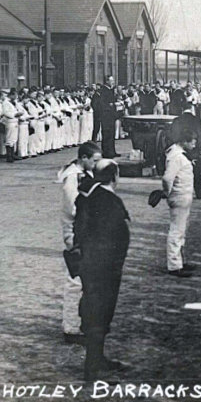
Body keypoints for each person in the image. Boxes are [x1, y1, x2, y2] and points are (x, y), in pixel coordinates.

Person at [74, 159, 130, 381]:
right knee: (101, 312)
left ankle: (96, 358)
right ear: (114, 176)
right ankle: (92, 366)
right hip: (105, 267)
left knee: (92, 309)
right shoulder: (109, 201)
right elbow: (114, 238)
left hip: (89, 263)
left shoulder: (88, 195)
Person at [57, 142, 101, 344]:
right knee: (75, 281)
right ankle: (71, 328)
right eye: (94, 160)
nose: (96, 163)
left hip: (85, 231)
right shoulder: (72, 178)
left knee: (85, 279)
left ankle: (79, 322)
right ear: (83, 158)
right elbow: (72, 208)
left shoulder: (84, 174)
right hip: (75, 232)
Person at [162, 129, 197, 277]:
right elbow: (167, 178)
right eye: (192, 141)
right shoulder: (177, 157)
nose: (195, 144)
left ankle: (179, 260)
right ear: (184, 141)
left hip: (183, 195)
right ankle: (174, 264)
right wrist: (167, 192)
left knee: (181, 230)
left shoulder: (177, 154)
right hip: (179, 195)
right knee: (177, 230)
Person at [99, 75, 119, 158]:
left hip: (111, 115)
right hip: (106, 116)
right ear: (107, 81)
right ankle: (106, 152)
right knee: (106, 134)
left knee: (112, 133)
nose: (113, 82)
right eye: (111, 80)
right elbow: (102, 103)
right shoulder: (103, 90)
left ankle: (112, 151)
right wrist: (110, 105)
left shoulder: (112, 90)